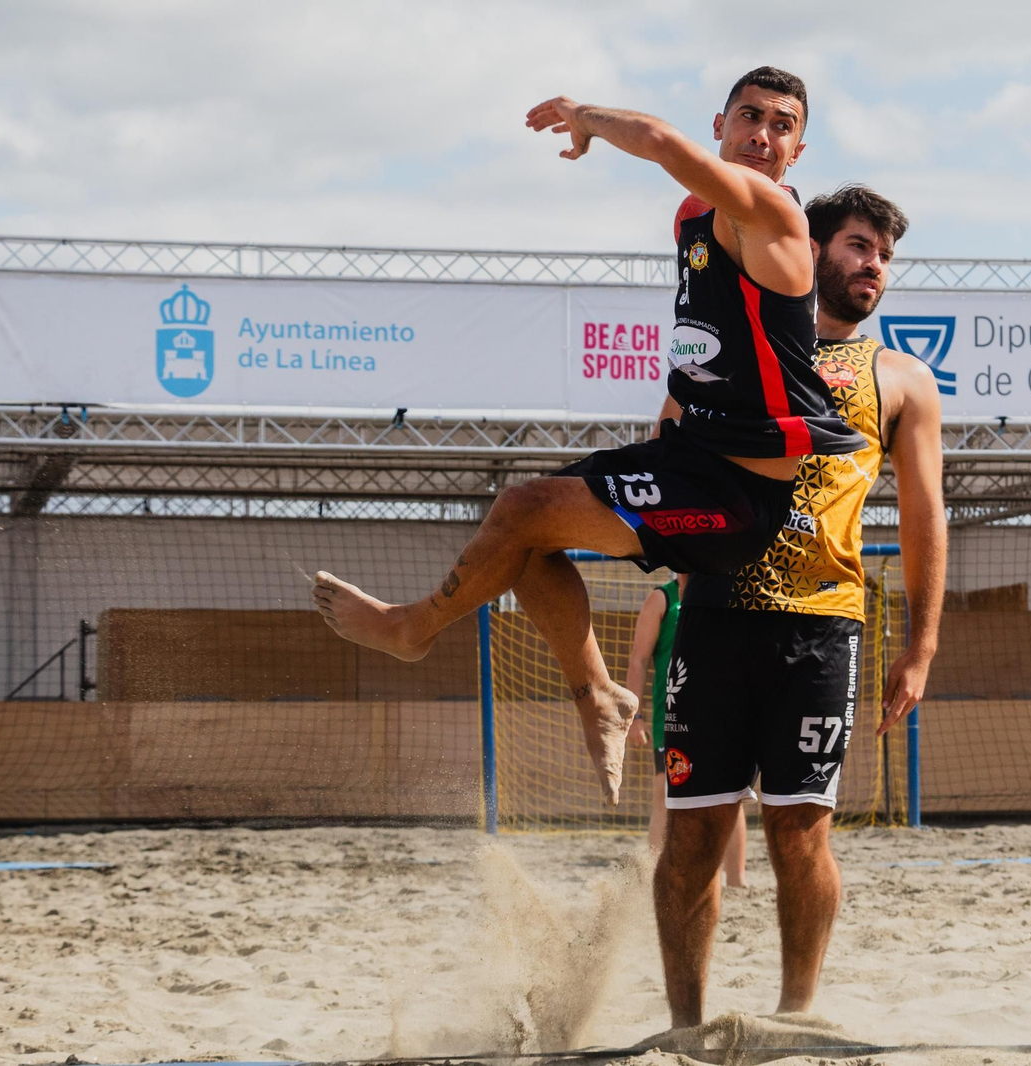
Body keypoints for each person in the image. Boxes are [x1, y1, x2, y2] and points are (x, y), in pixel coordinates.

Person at [312, 68, 864, 806]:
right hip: (691, 456)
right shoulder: (693, 218)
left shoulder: (771, 213)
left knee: (526, 511)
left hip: (741, 498)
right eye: (750, 117)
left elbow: (662, 142)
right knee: (518, 528)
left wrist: (586, 116)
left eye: (782, 125)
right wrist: (674, 411)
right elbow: (712, 340)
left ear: (797, 151)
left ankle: (414, 627)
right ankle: (599, 696)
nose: (762, 135)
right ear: (722, 125)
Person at [651, 184, 946, 1027]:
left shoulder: (900, 378)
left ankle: (796, 1015)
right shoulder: (728, 356)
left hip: (821, 627)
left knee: (800, 831)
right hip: (713, 616)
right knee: (693, 840)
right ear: (811, 249)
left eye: (884, 255)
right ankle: (685, 1028)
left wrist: (920, 648)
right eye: (857, 246)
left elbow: (926, 521)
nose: (873, 266)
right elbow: (668, 460)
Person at [625, 573, 746, 885]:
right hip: (673, 718)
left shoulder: (725, 592)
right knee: (665, 795)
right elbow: (638, 660)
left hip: (723, 714)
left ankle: (736, 881)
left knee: (732, 795)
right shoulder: (662, 600)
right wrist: (634, 717)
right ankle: (656, 877)